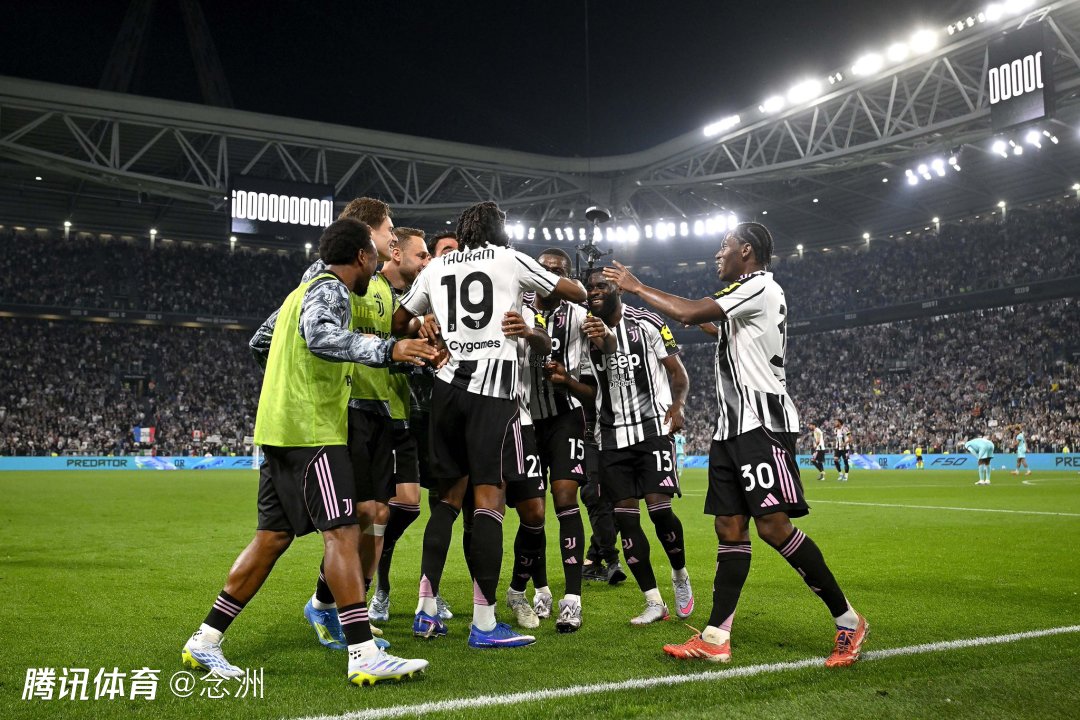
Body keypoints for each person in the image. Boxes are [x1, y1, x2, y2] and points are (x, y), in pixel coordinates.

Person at [181, 218, 437, 686]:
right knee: (342, 532)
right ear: (362, 256)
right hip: (312, 429)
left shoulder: (296, 294)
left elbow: (260, 342)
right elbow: (319, 336)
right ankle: (362, 652)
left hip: (278, 428)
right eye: (376, 255)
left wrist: (289, 378)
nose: (378, 263)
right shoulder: (331, 289)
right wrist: (388, 350)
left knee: (271, 538)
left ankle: (205, 639)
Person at [601, 221, 868, 667]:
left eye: (724, 246)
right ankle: (715, 637)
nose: (717, 255)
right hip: (730, 430)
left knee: (774, 527)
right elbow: (708, 324)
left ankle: (848, 621)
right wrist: (680, 313)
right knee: (729, 527)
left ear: (746, 250)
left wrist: (638, 287)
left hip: (761, 424)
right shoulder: (746, 297)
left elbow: (690, 313)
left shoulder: (759, 285)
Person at [392, 201, 586, 649]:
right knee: (489, 501)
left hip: (446, 389)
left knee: (446, 502)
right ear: (498, 230)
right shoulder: (509, 258)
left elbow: (400, 320)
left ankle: (425, 612)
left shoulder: (437, 267)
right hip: (493, 393)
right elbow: (572, 291)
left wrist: (427, 325)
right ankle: (483, 622)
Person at [547, 267, 693, 626]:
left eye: (602, 285)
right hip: (611, 438)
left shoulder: (647, 323)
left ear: (619, 290)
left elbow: (678, 373)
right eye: (591, 287)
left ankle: (679, 574)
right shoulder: (584, 334)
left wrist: (678, 406)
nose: (595, 291)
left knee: (660, 511)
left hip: (652, 430)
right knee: (627, 521)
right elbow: (592, 391)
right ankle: (653, 601)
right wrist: (567, 381)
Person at [298, 198, 399, 648]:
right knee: (349, 520)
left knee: (376, 513)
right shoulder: (326, 279)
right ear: (366, 236)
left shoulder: (379, 284)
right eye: (388, 229)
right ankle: (333, 610)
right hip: (345, 408)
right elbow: (306, 333)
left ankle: (343, 608)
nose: (393, 237)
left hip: (379, 406)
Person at [525, 248, 617, 629]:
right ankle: (541, 590)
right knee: (532, 510)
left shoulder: (580, 317)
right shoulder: (516, 305)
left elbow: (594, 390)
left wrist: (567, 380)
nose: (550, 276)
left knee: (565, 499)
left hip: (565, 419)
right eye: (544, 269)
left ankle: (573, 599)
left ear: (568, 277)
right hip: (525, 420)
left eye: (558, 271)